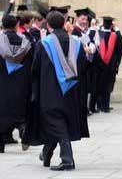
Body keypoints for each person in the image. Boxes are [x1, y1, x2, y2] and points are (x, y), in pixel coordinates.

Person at [24, 11, 88, 171]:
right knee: (58, 122)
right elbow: (83, 67)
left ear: (49, 25)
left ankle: (67, 159)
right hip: (72, 91)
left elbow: (35, 69)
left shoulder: (44, 44)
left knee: (55, 121)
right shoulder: (76, 43)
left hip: (50, 91)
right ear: (64, 23)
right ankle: (46, 153)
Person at [0, 14, 33, 153]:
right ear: (16, 26)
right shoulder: (27, 43)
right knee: (20, 113)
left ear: (2, 25)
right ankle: (23, 128)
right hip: (21, 85)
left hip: (2, 85)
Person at [91, 16, 122, 113]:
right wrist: (117, 29)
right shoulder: (115, 35)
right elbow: (120, 48)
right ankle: (106, 106)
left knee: (99, 84)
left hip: (99, 63)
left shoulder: (99, 35)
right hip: (111, 64)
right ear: (111, 26)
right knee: (108, 84)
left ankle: (99, 105)